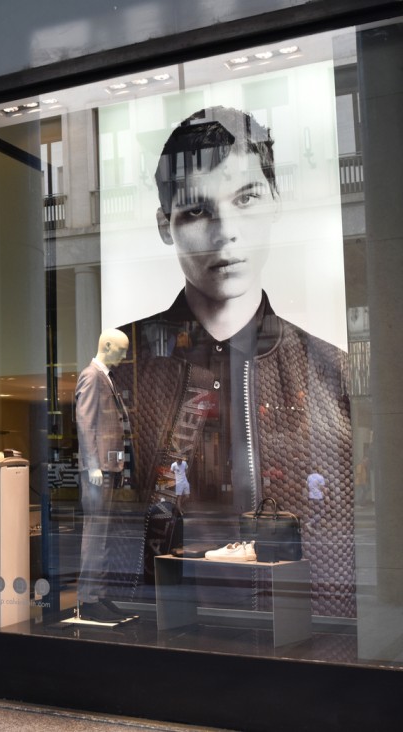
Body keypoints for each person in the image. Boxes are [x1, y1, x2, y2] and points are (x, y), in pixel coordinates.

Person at [116, 106, 354, 617]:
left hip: (301, 623)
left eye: (245, 198)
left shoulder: (330, 371)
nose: (226, 231)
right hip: (168, 618)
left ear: (275, 201)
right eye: (196, 211)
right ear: (165, 226)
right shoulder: (124, 368)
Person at [74, 328, 131, 622]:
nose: (124, 355)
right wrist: (93, 464)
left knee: (104, 534)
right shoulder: (91, 376)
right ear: (107, 346)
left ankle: (99, 594)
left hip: (110, 468)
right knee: (95, 533)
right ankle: (88, 598)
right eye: (121, 350)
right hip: (99, 472)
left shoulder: (106, 377)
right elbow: (85, 423)